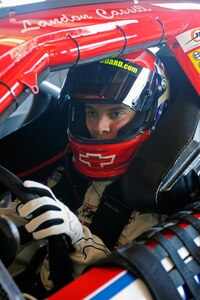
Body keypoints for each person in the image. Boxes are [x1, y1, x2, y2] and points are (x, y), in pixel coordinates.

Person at [7, 49, 170, 292]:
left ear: (147, 116)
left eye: (116, 113)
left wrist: (77, 240)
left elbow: (126, 288)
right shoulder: (62, 169)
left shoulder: (150, 198)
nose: (98, 128)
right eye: (91, 112)